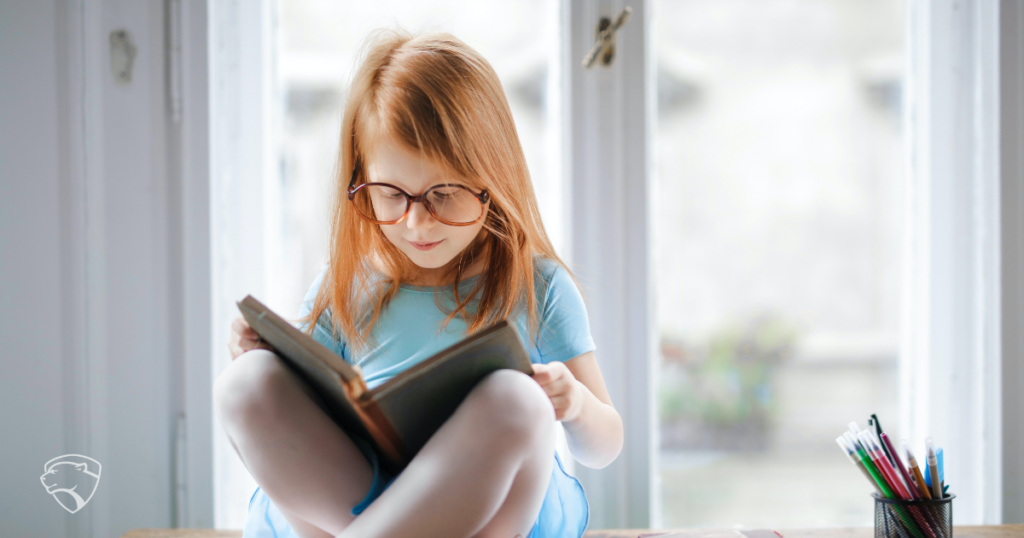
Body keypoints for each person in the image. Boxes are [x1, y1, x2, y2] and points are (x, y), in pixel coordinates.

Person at [213, 28, 624, 538]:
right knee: (244, 383)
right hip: (356, 498)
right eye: (390, 194)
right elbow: (296, 408)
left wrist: (576, 405)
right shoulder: (343, 284)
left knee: (518, 401)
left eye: (444, 194)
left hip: (486, 507)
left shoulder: (537, 286)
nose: (416, 223)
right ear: (361, 180)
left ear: (492, 180)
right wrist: (258, 351)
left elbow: (604, 447)